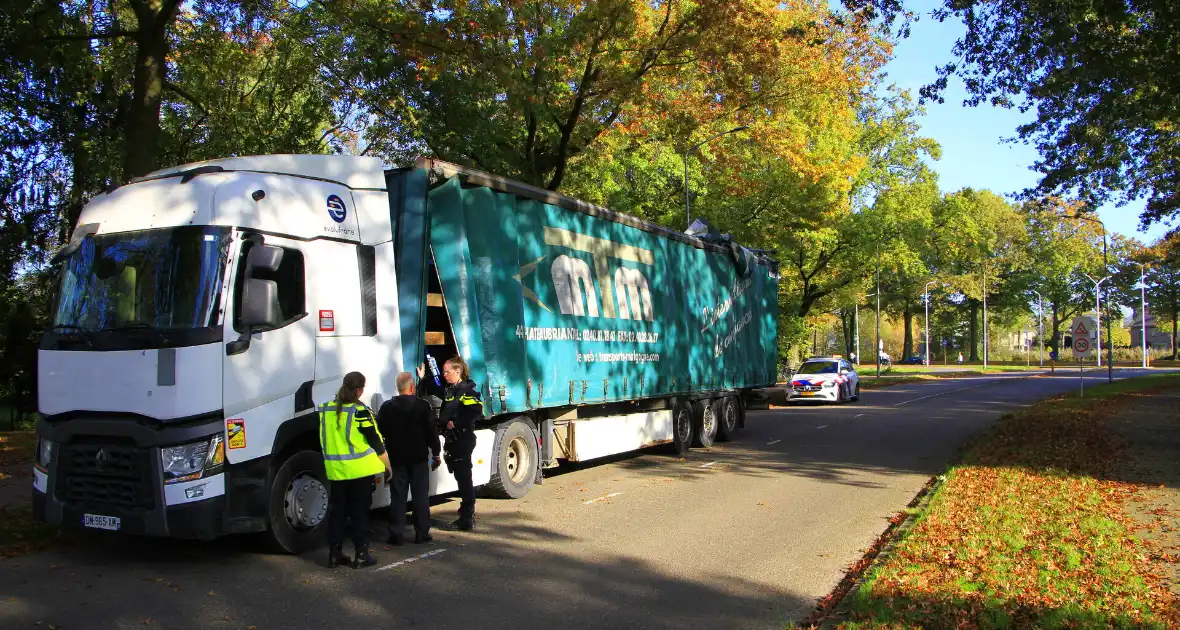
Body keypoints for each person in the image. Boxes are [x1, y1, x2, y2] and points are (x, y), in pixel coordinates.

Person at [318, 371, 392, 569]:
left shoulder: (326, 410)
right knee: (359, 514)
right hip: (359, 472)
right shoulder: (359, 412)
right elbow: (375, 441)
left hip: (336, 472)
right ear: (359, 390)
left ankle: (334, 554)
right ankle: (361, 555)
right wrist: (387, 466)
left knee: (337, 514)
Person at [417, 356, 482, 531]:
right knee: (460, 477)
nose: (444, 375)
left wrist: (457, 423)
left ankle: (467, 518)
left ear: (457, 371)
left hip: (462, 439)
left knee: (464, 479)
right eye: (443, 371)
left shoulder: (467, 390)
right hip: (452, 440)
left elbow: (476, 411)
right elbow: (435, 389)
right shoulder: (450, 389)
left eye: (447, 372)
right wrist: (423, 378)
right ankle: (466, 514)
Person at [377, 371, 442, 545]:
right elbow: (431, 432)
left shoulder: (386, 407)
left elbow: (380, 430)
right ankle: (421, 533)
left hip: (396, 458)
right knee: (420, 496)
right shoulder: (423, 406)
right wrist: (436, 452)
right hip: (419, 457)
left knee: (398, 497)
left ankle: (396, 534)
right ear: (412, 387)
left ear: (398, 388)